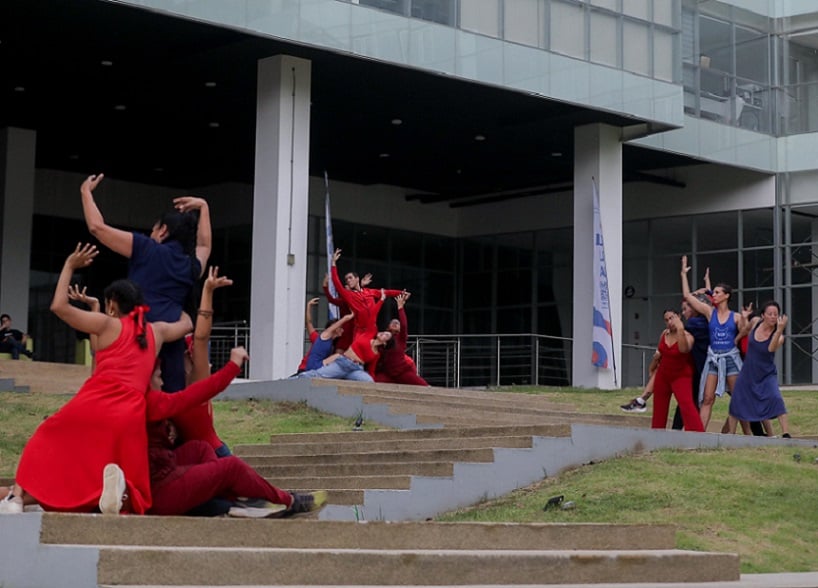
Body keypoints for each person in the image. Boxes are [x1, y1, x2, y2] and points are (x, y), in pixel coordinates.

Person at [0, 243, 192, 515]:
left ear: (112, 304)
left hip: (94, 404)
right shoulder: (156, 332)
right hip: (129, 417)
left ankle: (15, 499)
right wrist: (178, 298)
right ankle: (114, 495)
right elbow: (187, 324)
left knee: (44, 438)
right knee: (111, 473)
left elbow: (58, 306)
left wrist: (69, 265)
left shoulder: (106, 324)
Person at [146, 346, 328, 518]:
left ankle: (234, 502)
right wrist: (233, 365)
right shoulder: (151, 401)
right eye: (158, 377)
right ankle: (290, 501)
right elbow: (200, 385)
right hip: (161, 489)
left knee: (199, 449)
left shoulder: (151, 401)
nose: (162, 382)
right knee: (231, 467)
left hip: (170, 469)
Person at [81, 173, 211, 393]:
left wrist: (85, 192)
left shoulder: (145, 248)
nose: (151, 233)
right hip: (172, 344)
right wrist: (204, 207)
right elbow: (205, 245)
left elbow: (97, 228)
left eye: (153, 229)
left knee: (128, 393)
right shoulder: (190, 265)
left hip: (136, 339)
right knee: (171, 401)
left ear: (163, 231)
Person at [681, 255, 745, 430]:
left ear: (726, 296)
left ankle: (738, 435)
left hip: (731, 359)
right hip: (713, 359)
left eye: (717, 293)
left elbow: (745, 332)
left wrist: (745, 321)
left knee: (737, 399)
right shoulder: (710, 313)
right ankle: (700, 436)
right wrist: (683, 274)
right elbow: (687, 296)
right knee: (707, 398)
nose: (713, 295)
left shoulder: (736, 316)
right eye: (714, 292)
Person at [726, 301, 791, 437]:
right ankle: (731, 434)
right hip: (748, 371)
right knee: (737, 399)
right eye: (770, 314)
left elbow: (770, 348)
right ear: (763, 315)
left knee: (775, 398)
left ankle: (786, 433)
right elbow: (745, 329)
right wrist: (737, 338)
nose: (773, 317)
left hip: (766, 373)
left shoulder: (779, 337)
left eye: (776, 314)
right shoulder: (756, 322)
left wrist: (779, 330)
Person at [649, 309, 705, 432]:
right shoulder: (664, 334)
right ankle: (656, 435)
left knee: (686, 405)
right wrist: (652, 368)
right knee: (659, 407)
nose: (670, 322)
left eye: (672, 318)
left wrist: (680, 329)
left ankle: (698, 434)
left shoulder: (687, 336)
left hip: (681, 375)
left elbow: (684, 349)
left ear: (679, 317)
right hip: (663, 374)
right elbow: (659, 353)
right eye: (667, 319)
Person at [330, 248, 405, 337]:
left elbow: (386, 292)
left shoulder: (369, 291)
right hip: (360, 331)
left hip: (373, 330)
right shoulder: (349, 295)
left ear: (357, 279)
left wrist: (401, 293)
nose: (348, 281)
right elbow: (336, 282)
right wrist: (333, 263)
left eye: (350, 278)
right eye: (346, 280)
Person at [375, 292, 428, 386]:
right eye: (393, 323)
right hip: (387, 374)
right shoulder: (382, 337)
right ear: (387, 328)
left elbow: (404, 325)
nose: (396, 323)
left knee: (424, 386)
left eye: (397, 323)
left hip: (402, 373)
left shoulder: (401, 338)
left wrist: (400, 307)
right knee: (372, 382)